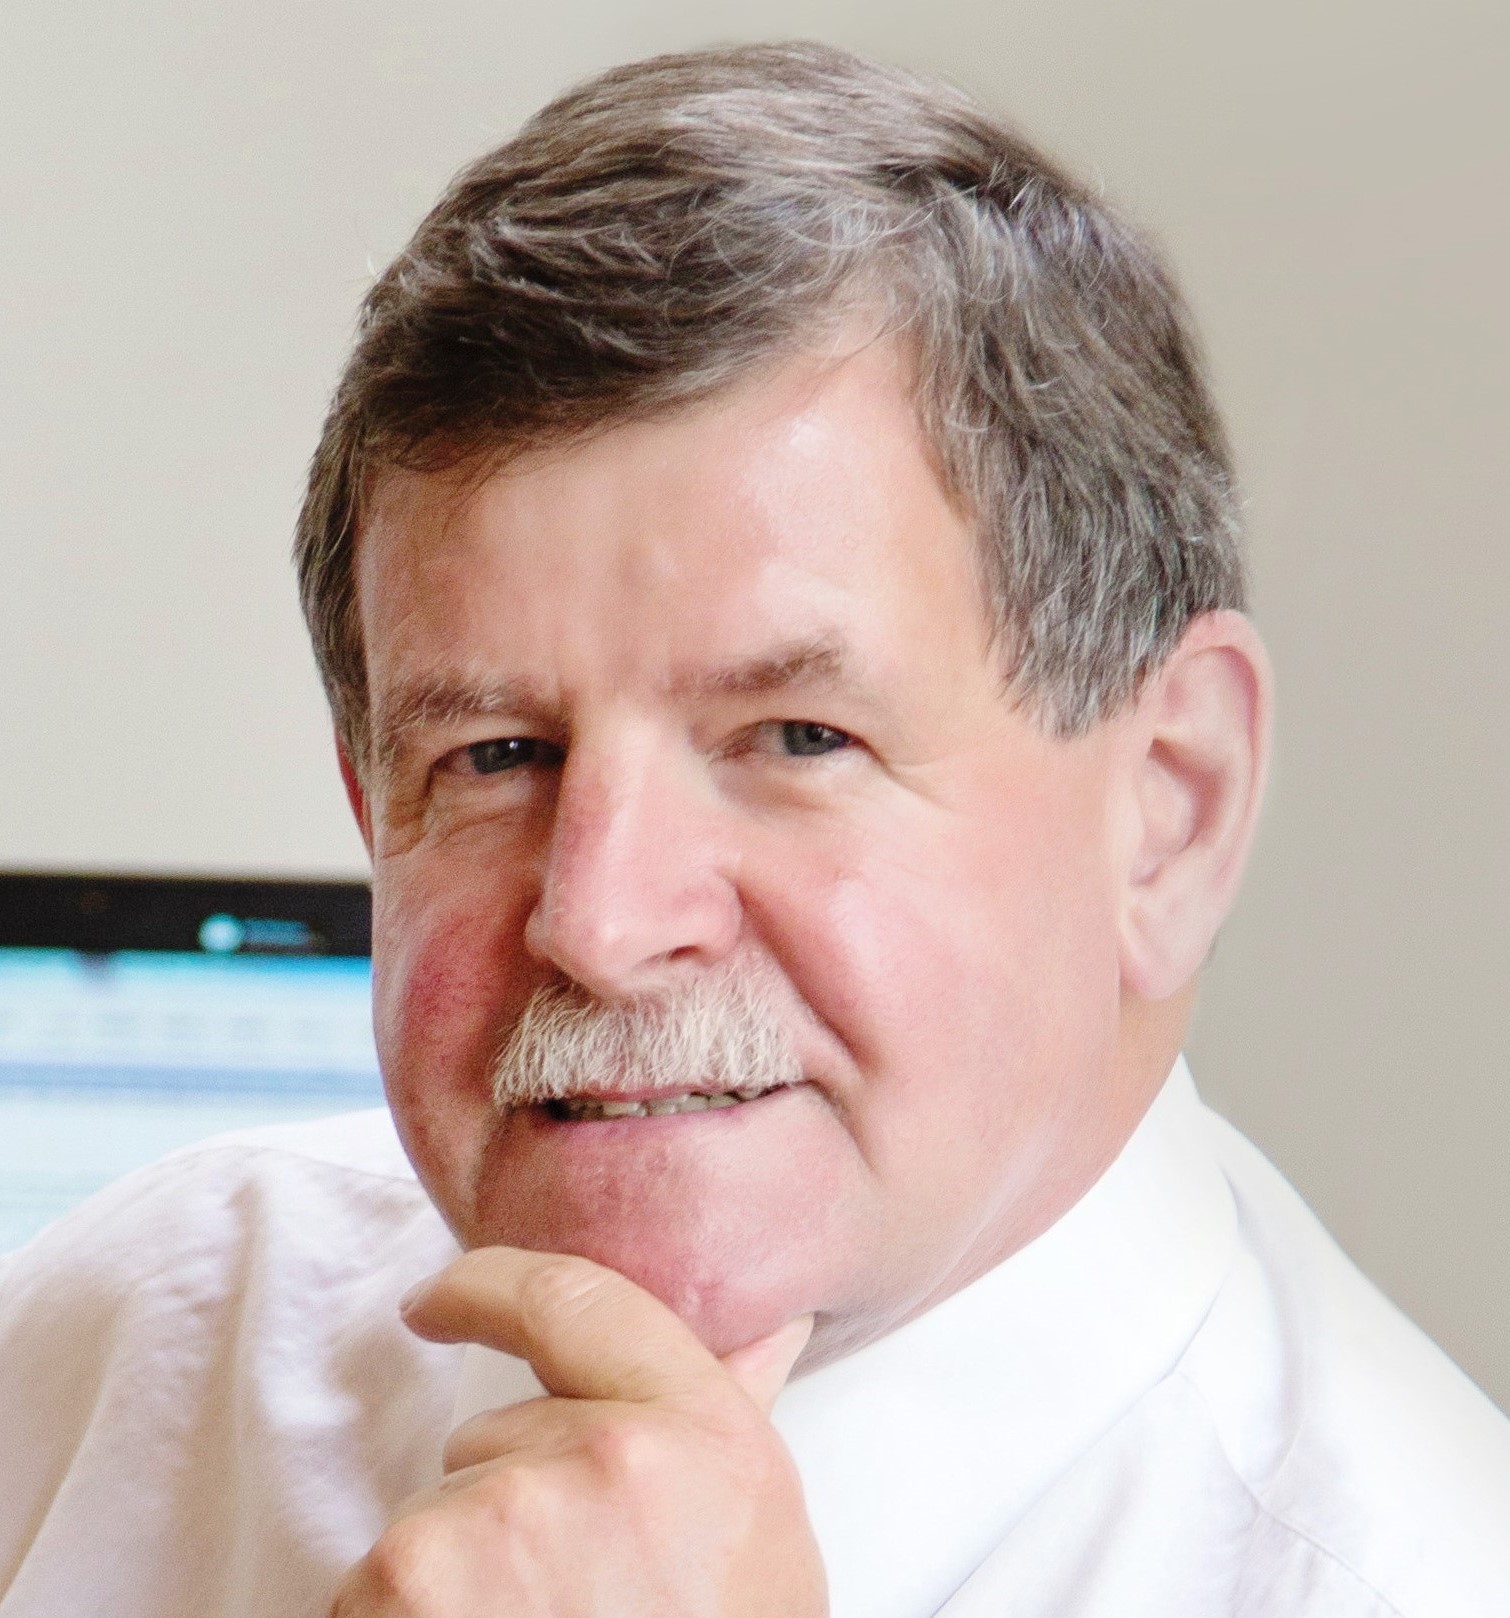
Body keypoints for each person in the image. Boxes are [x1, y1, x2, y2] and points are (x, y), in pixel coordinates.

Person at [1, 39, 1507, 1618]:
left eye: (796, 738)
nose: (599, 917)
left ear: (1168, 808)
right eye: (496, 755)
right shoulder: (138, 1348)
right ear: (373, 807)